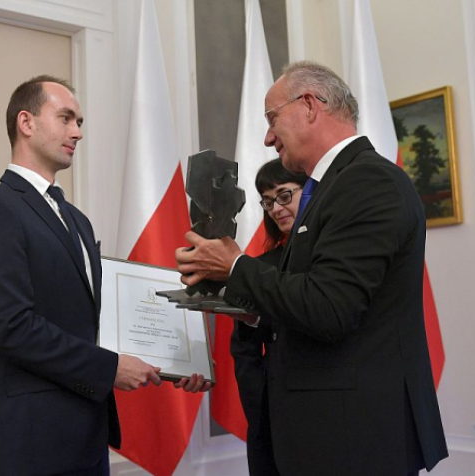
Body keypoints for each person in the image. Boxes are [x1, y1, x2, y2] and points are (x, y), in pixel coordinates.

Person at [176, 61, 448, 476]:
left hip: (352, 438)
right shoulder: (334, 186)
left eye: (272, 119)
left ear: (308, 105)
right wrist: (244, 305)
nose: (268, 138)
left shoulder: (366, 182)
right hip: (326, 432)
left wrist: (236, 267)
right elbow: (309, 297)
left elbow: (330, 308)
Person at [0, 76, 206, 476]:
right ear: (27, 122)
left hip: (87, 438)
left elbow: (96, 323)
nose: (78, 132)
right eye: (66, 118)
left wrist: (174, 360)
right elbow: (11, 327)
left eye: (80, 121)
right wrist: (109, 369)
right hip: (33, 443)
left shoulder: (75, 219)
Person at [230, 159, 307, 476]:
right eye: (267, 201)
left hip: (322, 411)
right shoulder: (257, 266)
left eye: (284, 196)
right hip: (272, 413)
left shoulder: (330, 257)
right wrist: (261, 409)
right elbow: (245, 350)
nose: (276, 208)